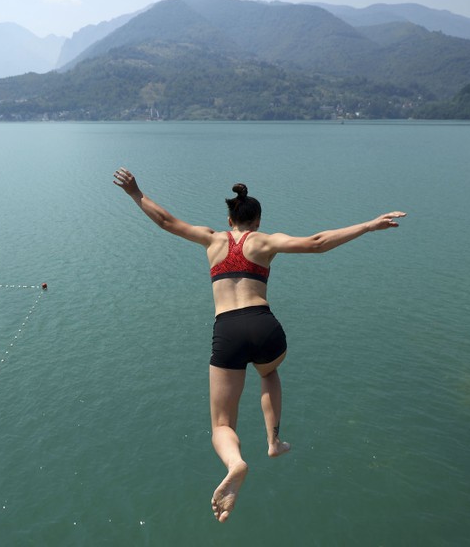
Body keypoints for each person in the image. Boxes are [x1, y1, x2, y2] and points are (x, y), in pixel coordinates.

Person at [113, 167, 406, 523]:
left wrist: (136, 193)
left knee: (222, 424)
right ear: (257, 220)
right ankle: (273, 442)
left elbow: (166, 221)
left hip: (228, 331)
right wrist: (368, 225)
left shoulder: (211, 239)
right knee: (269, 373)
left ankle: (236, 462)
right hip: (264, 327)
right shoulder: (265, 242)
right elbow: (317, 243)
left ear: (229, 219)